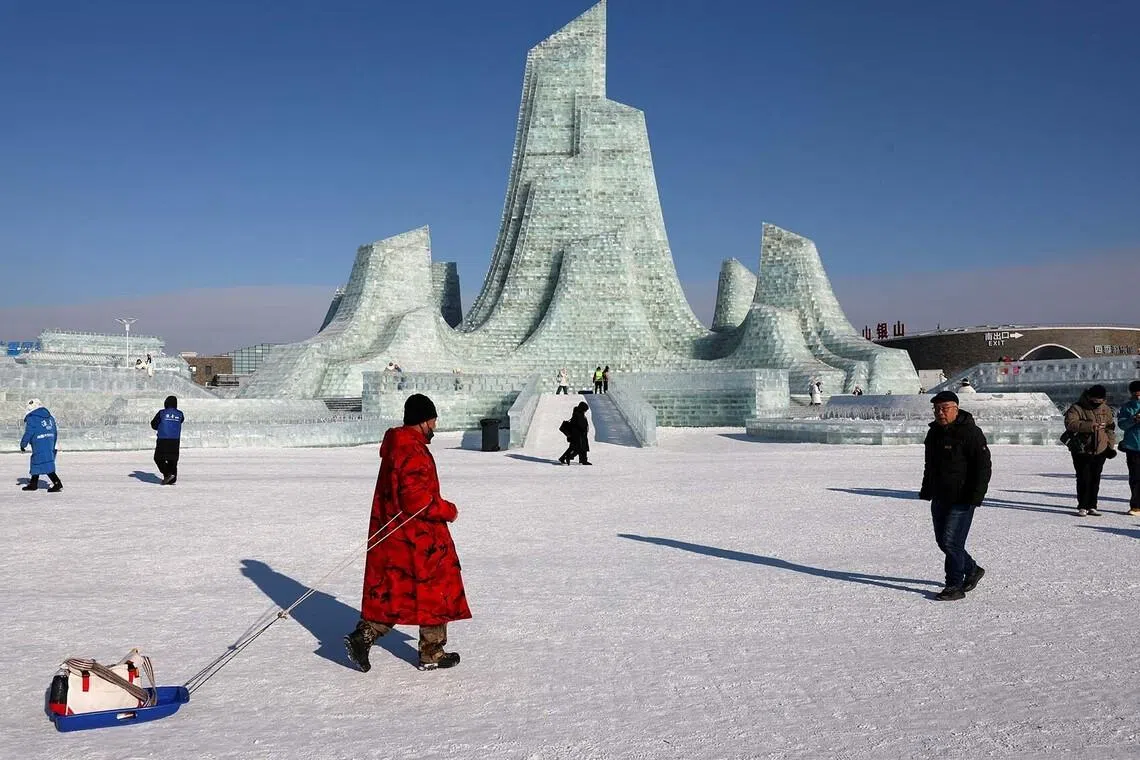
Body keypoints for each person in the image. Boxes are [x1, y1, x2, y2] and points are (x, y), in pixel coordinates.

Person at [344, 393, 470, 673]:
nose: (435, 425)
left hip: (397, 533)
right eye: (433, 419)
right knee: (436, 589)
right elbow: (416, 501)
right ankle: (431, 652)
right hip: (418, 536)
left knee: (398, 589)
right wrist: (447, 510)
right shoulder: (411, 450)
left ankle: (365, 636)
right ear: (422, 421)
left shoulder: (399, 444)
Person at [919, 391, 991, 601]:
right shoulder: (934, 433)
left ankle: (954, 585)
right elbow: (930, 465)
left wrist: (976, 496)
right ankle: (973, 569)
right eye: (936, 409)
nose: (940, 413)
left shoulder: (971, 433)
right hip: (940, 495)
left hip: (962, 498)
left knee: (951, 542)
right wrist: (927, 488)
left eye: (944, 408)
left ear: (956, 409)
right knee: (943, 542)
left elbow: (983, 467)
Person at [1064, 384, 1117, 517]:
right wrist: (1090, 426)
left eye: (1101, 400)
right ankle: (1083, 505)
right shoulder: (1077, 408)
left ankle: (1092, 505)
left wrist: (1110, 446)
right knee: (1083, 477)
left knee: (1095, 477)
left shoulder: (1105, 409)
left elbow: (1110, 428)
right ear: (1089, 397)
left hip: (1100, 448)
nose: (1098, 403)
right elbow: (1070, 423)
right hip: (1082, 449)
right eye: (1095, 400)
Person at [20, 398, 62, 492]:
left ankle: (57, 483)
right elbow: (54, 431)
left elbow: (29, 432)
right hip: (49, 441)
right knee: (37, 462)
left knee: (44, 462)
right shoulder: (50, 417)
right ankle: (33, 484)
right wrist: (53, 443)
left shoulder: (32, 418)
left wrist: (23, 444)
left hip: (39, 443)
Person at [1117, 380, 1140, 516]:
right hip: (1133, 447)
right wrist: (1134, 419)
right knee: (1135, 478)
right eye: (1136, 394)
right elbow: (1122, 425)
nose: (1138, 397)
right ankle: (1136, 506)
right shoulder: (1127, 407)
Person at [150, 395, 185, 485]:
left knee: (158, 458)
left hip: (163, 439)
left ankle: (168, 474)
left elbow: (153, 424)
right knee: (172, 459)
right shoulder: (180, 414)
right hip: (175, 440)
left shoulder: (162, 413)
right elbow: (181, 421)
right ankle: (172, 477)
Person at [558, 401, 592, 465]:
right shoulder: (578, 414)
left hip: (579, 435)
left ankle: (564, 458)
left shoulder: (578, 413)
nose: (585, 411)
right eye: (585, 410)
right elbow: (579, 425)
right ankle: (569, 457)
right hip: (578, 435)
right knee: (578, 448)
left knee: (576, 448)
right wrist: (584, 428)